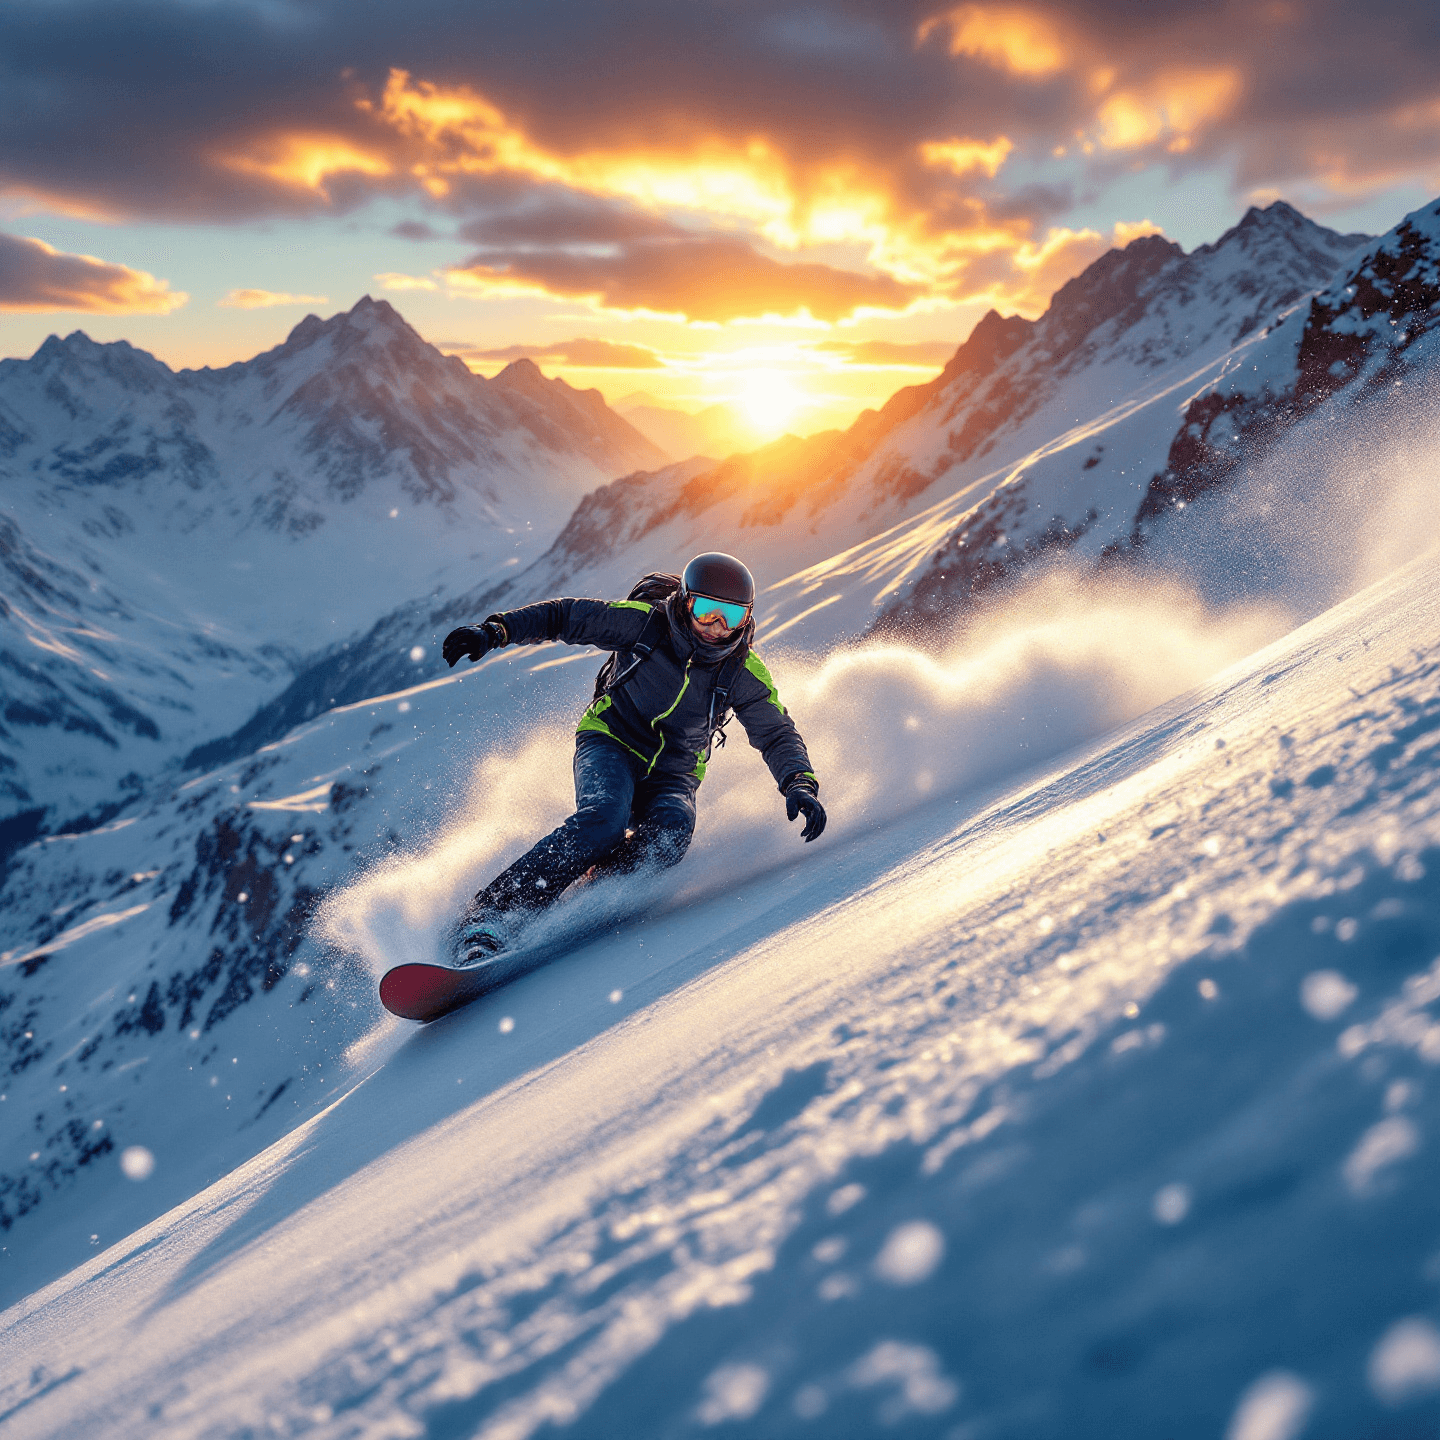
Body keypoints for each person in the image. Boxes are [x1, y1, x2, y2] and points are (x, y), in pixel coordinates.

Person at [440, 552, 825, 962]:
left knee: (673, 830)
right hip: (611, 741)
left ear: (747, 619)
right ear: (685, 601)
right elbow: (565, 616)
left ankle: (595, 890)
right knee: (605, 819)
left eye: (731, 617)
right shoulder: (645, 624)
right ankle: (490, 916)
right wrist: (496, 631)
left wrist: (799, 781)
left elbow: (776, 732)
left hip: (674, 773)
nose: (717, 627)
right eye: (707, 611)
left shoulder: (742, 670)